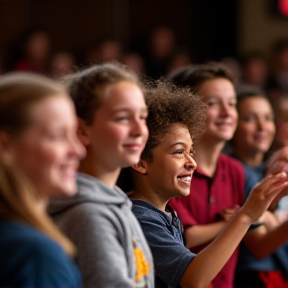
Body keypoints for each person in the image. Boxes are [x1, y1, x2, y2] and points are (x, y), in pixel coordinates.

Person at [117, 81, 288, 288]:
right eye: (179, 152)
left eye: (191, 152)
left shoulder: (165, 213)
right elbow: (193, 278)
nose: (192, 163)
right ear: (140, 161)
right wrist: (246, 215)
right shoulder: (140, 218)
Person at [168, 63, 288, 288]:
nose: (227, 112)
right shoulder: (172, 168)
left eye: (232, 104)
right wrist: (244, 217)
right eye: (213, 104)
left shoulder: (236, 171)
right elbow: (187, 236)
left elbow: (259, 245)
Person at [48, 63, 154, 287]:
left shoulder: (114, 201)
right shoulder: (89, 214)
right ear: (82, 129)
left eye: (142, 117)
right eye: (123, 118)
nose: (139, 130)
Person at [0, 72, 85, 287]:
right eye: (58, 136)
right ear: (5, 146)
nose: (78, 150)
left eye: (74, 134)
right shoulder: (33, 254)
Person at [231, 89, 288, 287]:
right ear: (233, 125)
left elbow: (269, 214)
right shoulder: (232, 173)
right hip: (257, 276)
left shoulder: (268, 168)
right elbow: (260, 246)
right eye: (250, 118)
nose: (262, 126)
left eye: (268, 118)